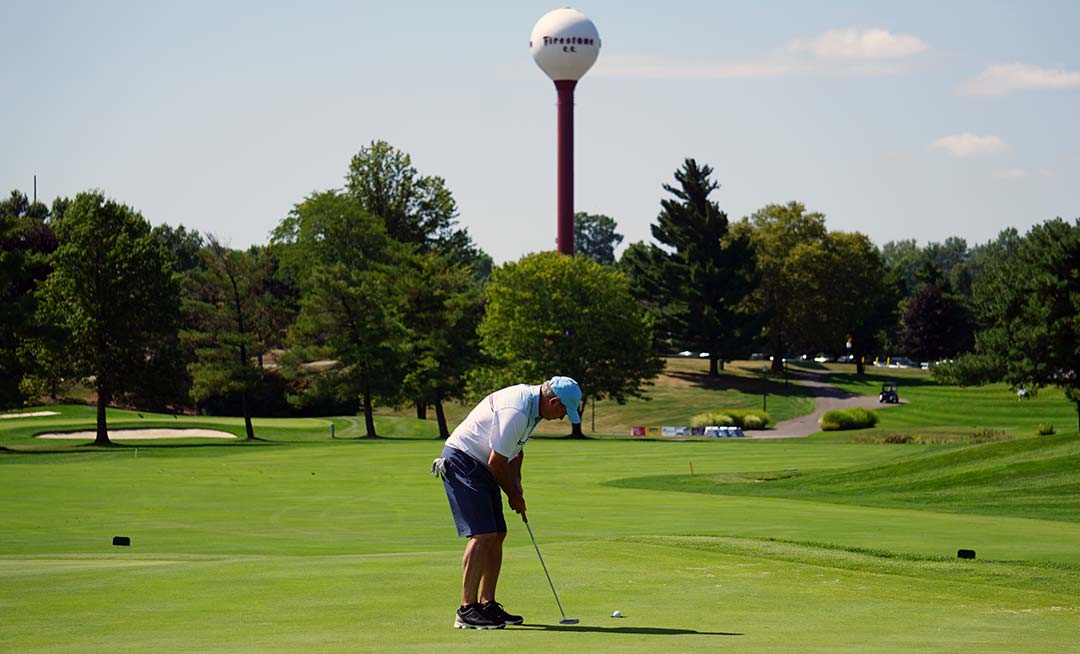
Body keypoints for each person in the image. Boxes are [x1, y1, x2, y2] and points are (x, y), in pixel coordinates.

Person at [431, 376, 582, 630]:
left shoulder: (534, 410)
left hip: (481, 465)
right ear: (553, 401)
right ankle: (467, 610)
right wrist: (512, 494)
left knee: (498, 533)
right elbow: (496, 462)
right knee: (482, 534)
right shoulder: (517, 409)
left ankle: (486, 604)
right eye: (563, 411)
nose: (562, 417)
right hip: (463, 461)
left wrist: (518, 488)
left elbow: (516, 452)